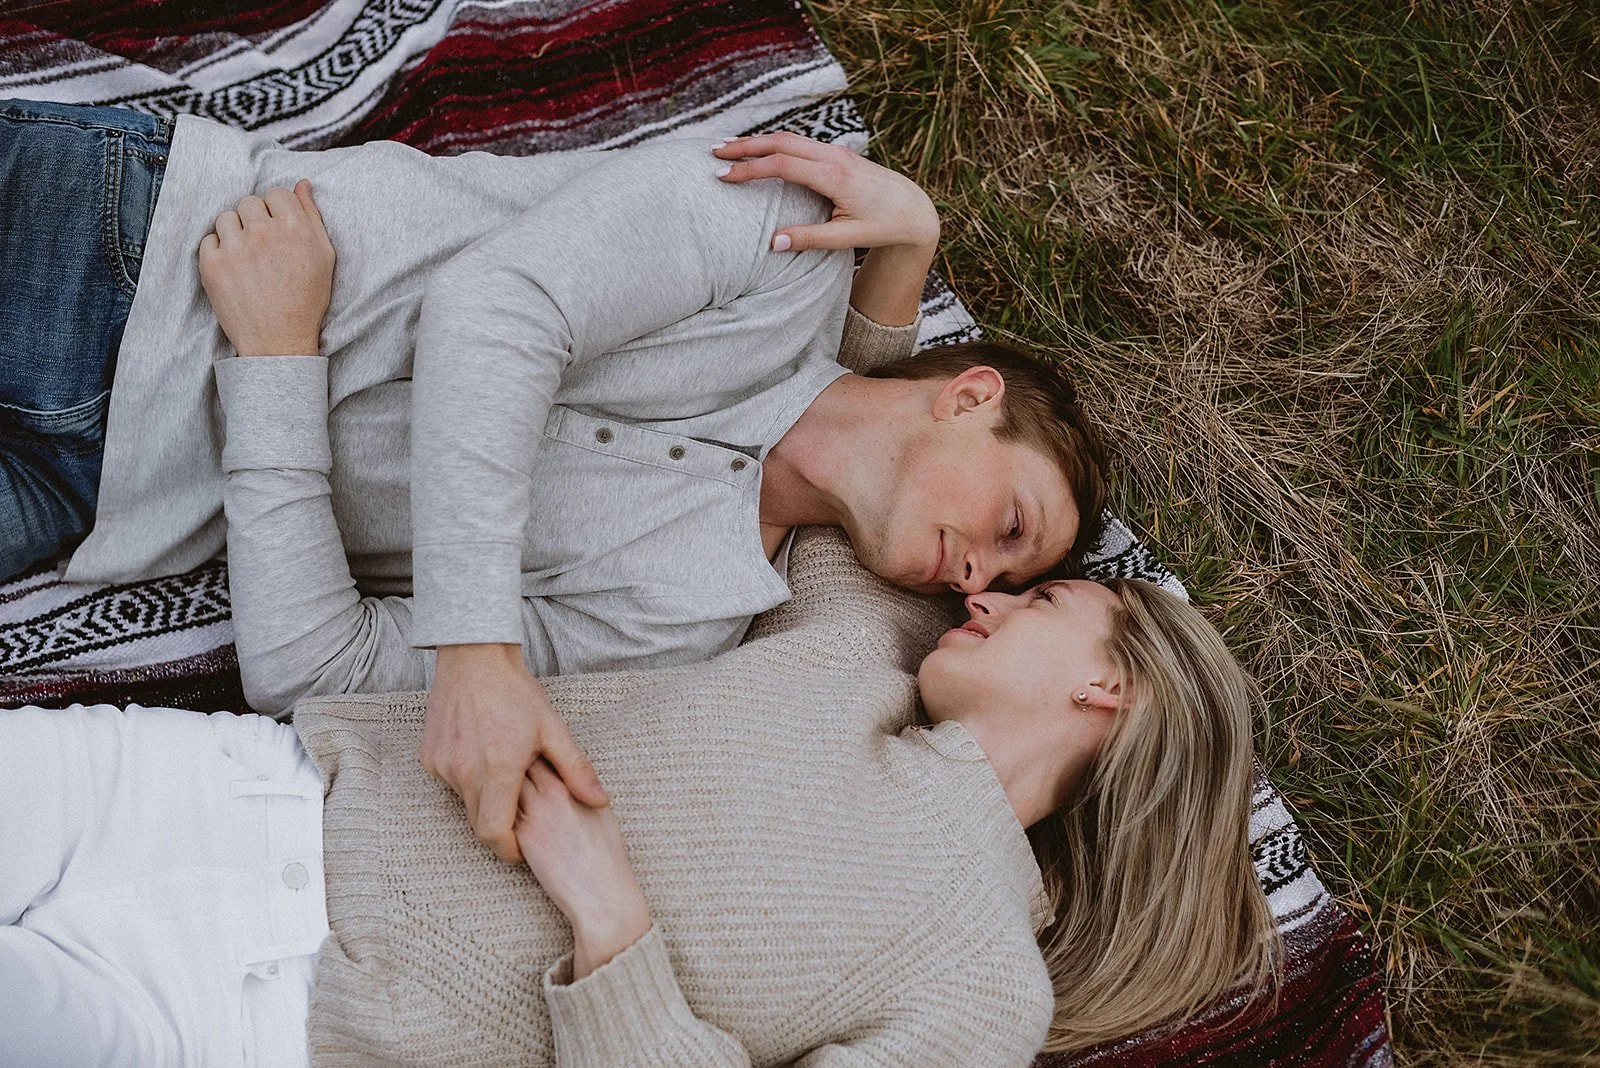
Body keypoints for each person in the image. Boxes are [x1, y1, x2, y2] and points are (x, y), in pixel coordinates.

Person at [0, 98, 1108, 861]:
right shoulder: (784, 244)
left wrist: (278, 365)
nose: (977, 579)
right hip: (132, 246)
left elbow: (310, 668)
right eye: (1012, 525)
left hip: (107, 496)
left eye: (1004, 579)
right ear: (969, 396)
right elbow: (496, 313)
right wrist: (476, 647)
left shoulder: (685, 622)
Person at [0, 526, 1278, 1067]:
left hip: (258, 1025)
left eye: (1044, 598)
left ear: (1109, 689)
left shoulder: (986, 989)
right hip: (228, 792)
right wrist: (901, 262)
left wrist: (614, 930)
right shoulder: (872, 641)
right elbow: (849, 469)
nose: (987, 593)